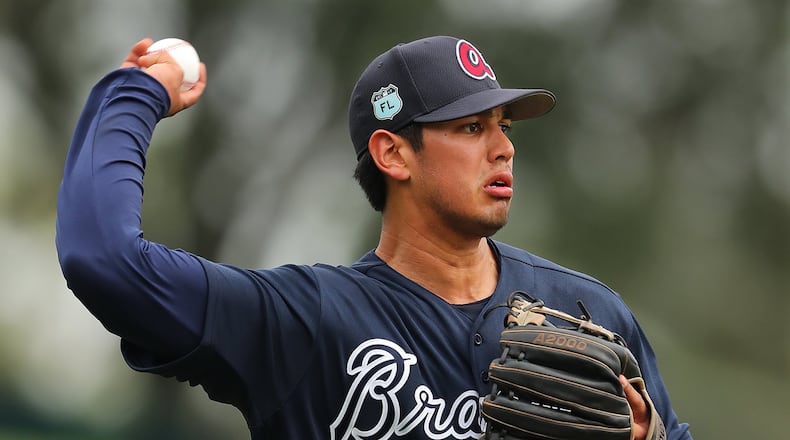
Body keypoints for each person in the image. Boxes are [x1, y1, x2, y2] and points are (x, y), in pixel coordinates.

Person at [56, 35, 692, 439]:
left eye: (503, 126)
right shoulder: (306, 324)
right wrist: (135, 96)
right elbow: (103, 258)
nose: (504, 148)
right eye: (471, 128)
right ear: (393, 153)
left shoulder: (588, 315)